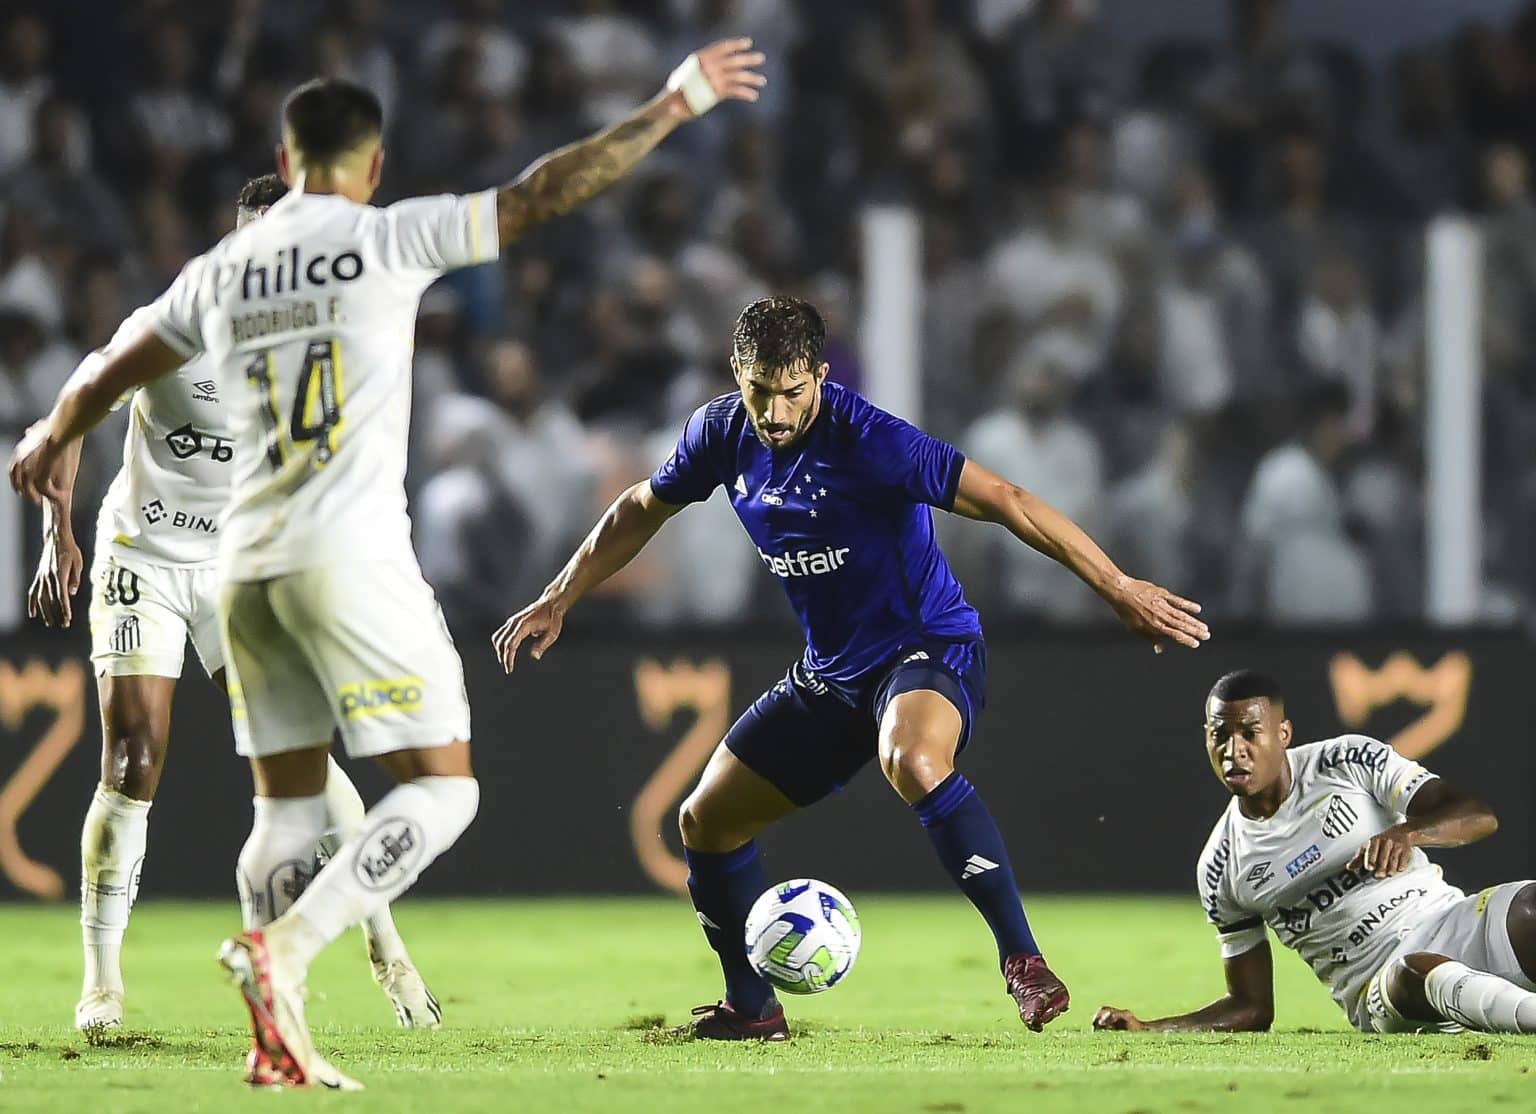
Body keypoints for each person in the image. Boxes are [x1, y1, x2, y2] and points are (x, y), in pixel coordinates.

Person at [10, 40, 767, 1089]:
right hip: (339, 557)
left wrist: (46, 442)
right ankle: (273, 952)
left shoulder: (219, 278)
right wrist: (671, 104)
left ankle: (282, 1027)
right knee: (440, 794)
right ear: (372, 169)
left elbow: (97, 374)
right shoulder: (389, 242)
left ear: (287, 151)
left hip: (247, 565)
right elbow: (546, 189)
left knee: (289, 801)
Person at [494, 295, 1208, 1040]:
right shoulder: (719, 433)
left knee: (911, 757)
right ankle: (753, 1006)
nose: (773, 411)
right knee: (703, 822)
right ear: (736, 373)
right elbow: (641, 507)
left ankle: (1023, 962)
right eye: (759, 389)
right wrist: (558, 596)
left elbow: (1008, 499)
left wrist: (1116, 586)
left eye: (792, 392)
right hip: (832, 675)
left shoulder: (869, 440)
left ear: (821, 377)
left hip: (928, 646)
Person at [26, 174, 437, 1036]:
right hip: (146, 554)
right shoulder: (179, 325)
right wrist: (54, 532)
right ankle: (101, 985)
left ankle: (387, 948)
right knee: (135, 757)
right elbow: (70, 417)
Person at [1092, 669, 1536, 1035]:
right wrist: (1151, 1028)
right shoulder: (1220, 865)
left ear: (1283, 733)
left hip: (1449, 920)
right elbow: (1250, 1007)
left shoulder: (1348, 761)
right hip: (1380, 983)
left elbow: (1477, 815)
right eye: (1219, 736)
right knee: (1415, 971)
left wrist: (1409, 834)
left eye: (1250, 733)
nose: (1234, 751)